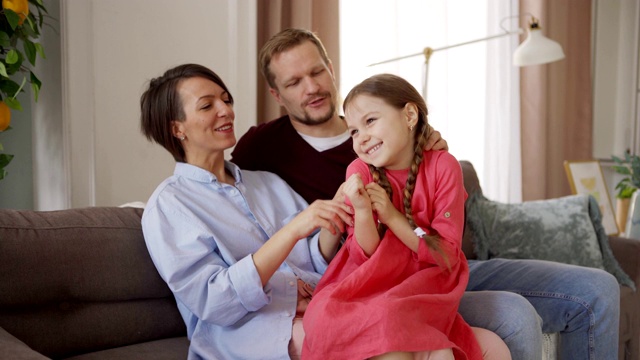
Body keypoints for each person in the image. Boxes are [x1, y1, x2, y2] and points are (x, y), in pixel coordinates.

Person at [231, 28, 621, 360]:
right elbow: (227, 202)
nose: (312, 87)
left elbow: (442, 228)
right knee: (515, 315)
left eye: (317, 71)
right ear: (277, 95)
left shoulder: (397, 129)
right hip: (369, 275)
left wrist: (426, 148)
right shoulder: (261, 147)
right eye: (294, 82)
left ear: (331, 69)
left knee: (598, 289)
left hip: (440, 259)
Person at [139, 63, 355, 359]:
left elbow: (314, 257)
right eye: (207, 105)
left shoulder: (267, 183)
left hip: (320, 305)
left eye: (226, 100)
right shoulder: (170, 205)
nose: (226, 110)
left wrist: (336, 213)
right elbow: (215, 300)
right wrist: (291, 233)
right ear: (177, 128)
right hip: (253, 335)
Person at [302, 73, 511, 360]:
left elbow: (446, 255)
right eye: (353, 131)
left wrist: (391, 216)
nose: (361, 138)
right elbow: (364, 257)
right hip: (365, 286)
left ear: (409, 114)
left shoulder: (443, 167)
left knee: (423, 340)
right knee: (372, 327)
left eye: (370, 121)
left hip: (423, 286)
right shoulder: (359, 172)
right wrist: (363, 212)